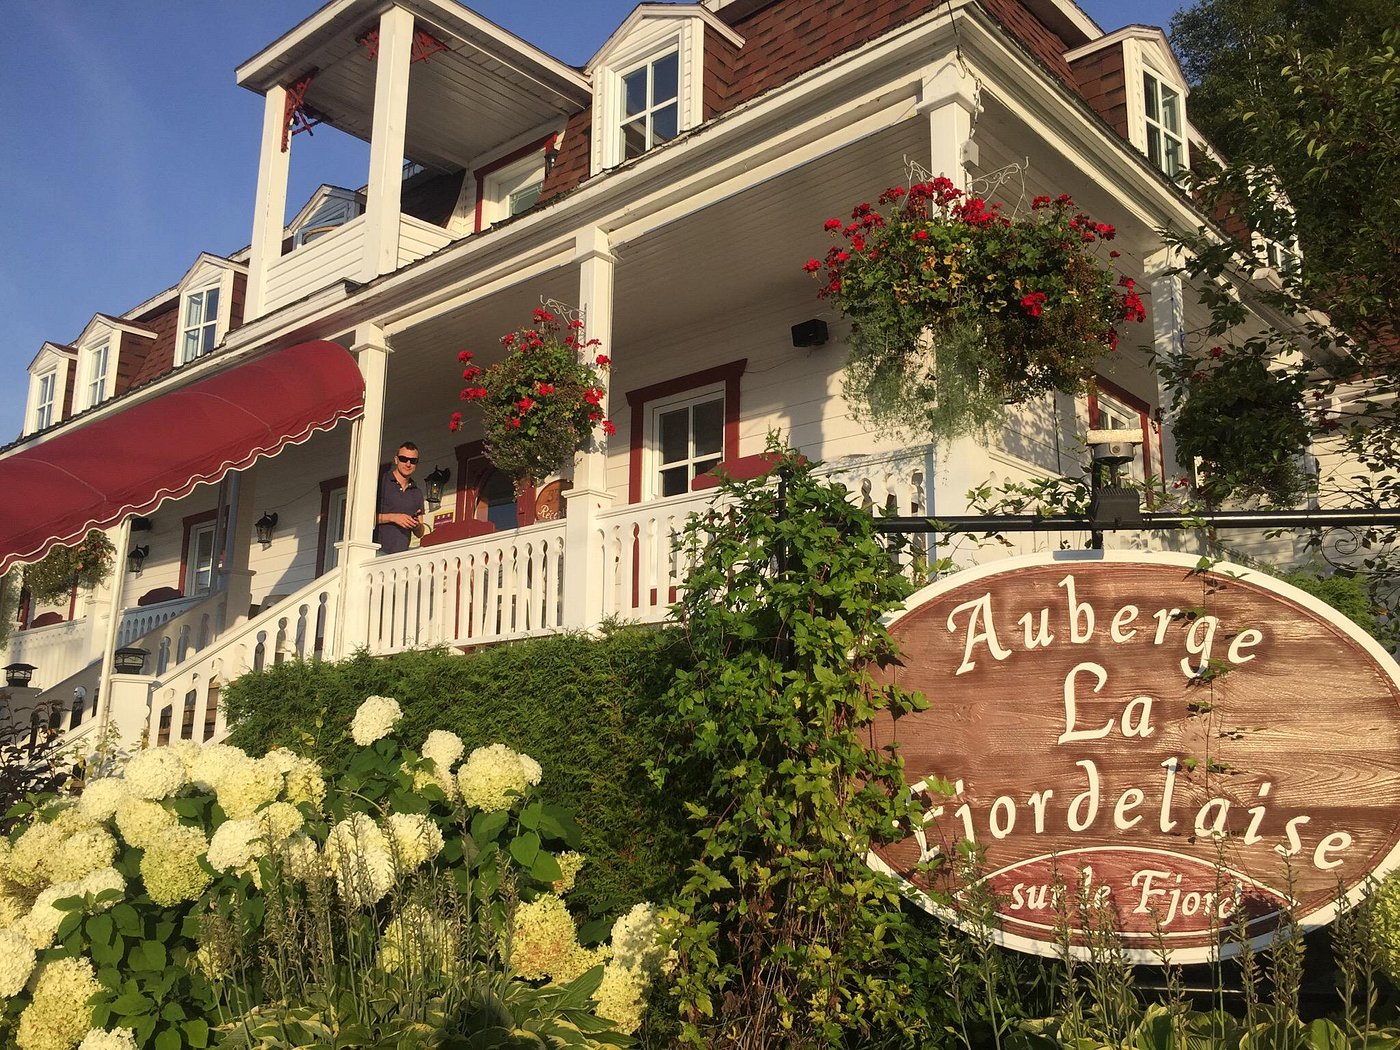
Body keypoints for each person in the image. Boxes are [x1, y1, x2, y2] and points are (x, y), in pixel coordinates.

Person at [374, 442, 425, 554]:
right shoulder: (381, 482)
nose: (408, 464)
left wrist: (416, 525)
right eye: (403, 459)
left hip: (401, 556)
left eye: (413, 461)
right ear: (396, 460)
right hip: (377, 552)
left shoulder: (417, 492)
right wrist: (393, 517)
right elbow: (364, 518)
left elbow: (420, 533)